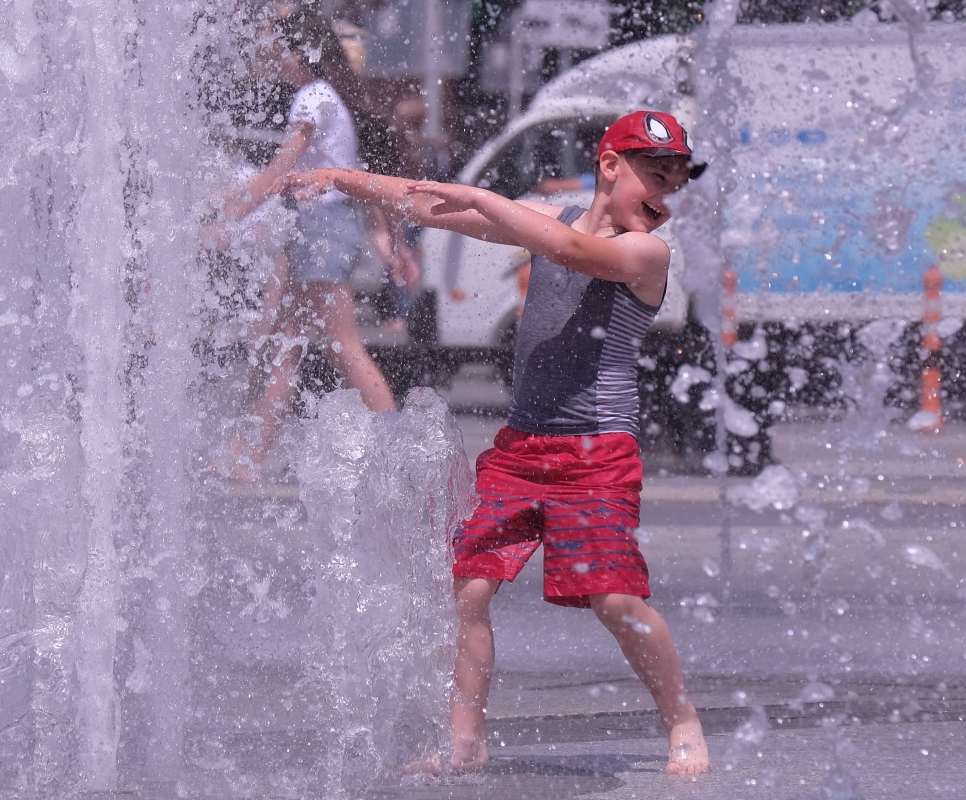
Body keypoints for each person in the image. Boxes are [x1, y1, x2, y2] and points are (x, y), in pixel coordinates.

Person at [278, 110, 711, 775]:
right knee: (470, 589)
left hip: (597, 453)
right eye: (656, 177)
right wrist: (343, 177)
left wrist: (481, 199)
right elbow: (434, 207)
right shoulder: (554, 221)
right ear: (609, 165)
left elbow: (565, 252)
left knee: (615, 600)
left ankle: (681, 717)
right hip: (521, 448)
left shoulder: (647, 252)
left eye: (675, 183)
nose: (665, 197)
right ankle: (464, 740)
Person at [212, 7, 417, 480]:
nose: (265, 54)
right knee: (285, 344)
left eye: (273, 45)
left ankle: (396, 450)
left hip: (324, 227)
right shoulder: (324, 96)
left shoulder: (313, 98)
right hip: (318, 227)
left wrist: (224, 219)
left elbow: (277, 174)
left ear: (301, 50)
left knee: (342, 345)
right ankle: (250, 456)